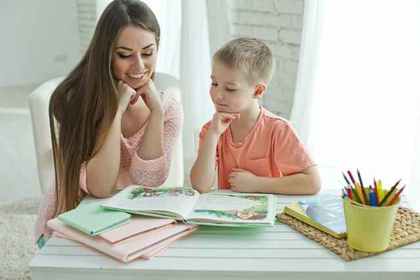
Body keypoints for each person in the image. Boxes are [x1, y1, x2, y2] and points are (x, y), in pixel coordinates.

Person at [34, 0, 182, 244]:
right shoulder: (78, 102)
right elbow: (100, 187)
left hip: (130, 221)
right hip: (71, 220)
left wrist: (155, 112)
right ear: (106, 54)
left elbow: (149, 181)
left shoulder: (167, 108)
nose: (139, 66)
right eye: (125, 55)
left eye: (147, 52)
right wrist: (116, 113)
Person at [190, 38, 320, 194]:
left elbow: (313, 183)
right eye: (214, 84)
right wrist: (213, 135)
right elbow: (200, 186)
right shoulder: (211, 129)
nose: (218, 95)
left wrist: (257, 184)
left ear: (258, 91)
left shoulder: (278, 130)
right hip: (228, 214)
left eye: (230, 89)